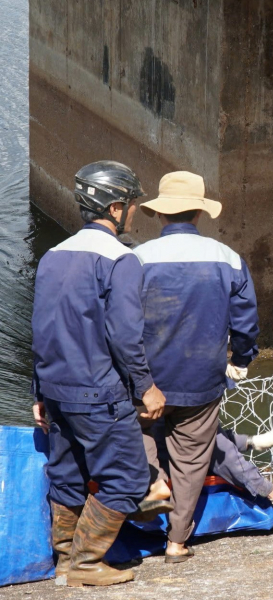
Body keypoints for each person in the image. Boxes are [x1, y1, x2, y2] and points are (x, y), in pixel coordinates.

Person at [134, 171, 273, 563]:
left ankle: (153, 485)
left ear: (160, 215)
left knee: (136, 433)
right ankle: (176, 543)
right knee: (193, 460)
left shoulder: (136, 259)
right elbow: (246, 325)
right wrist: (240, 360)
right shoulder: (228, 258)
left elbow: (119, 322)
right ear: (199, 214)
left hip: (147, 381)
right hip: (203, 381)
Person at [31, 161, 172, 587]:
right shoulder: (120, 260)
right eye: (132, 205)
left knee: (67, 474)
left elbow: (40, 328)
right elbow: (125, 337)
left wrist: (38, 391)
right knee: (128, 477)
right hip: (98, 392)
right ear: (115, 207)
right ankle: (87, 564)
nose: (134, 212)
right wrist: (146, 388)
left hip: (55, 388)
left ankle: (63, 561)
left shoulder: (53, 255)